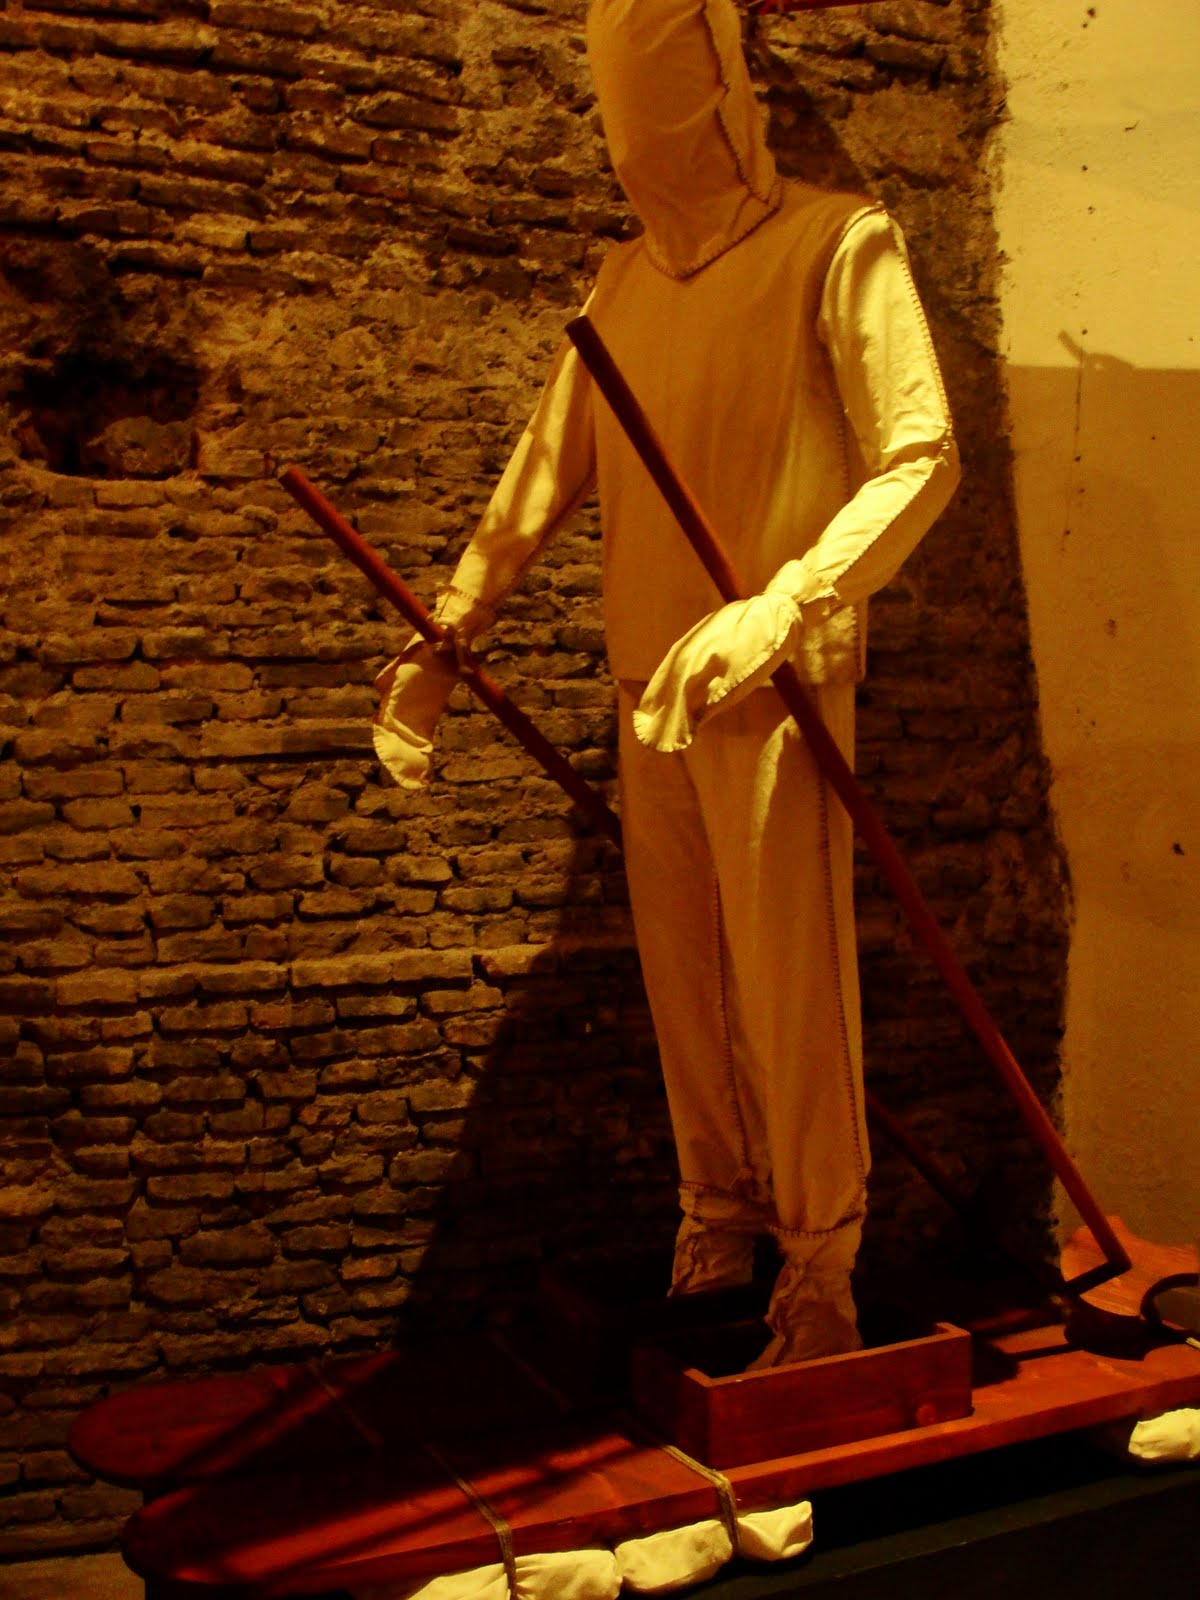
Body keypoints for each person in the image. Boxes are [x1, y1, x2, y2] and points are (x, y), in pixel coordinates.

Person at [374, 0, 960, 1366]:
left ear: (723, 97)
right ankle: (721, 1223)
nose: (647, 142)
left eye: (668, 107)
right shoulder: (623, 283)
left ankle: (821, 1270)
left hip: (772, 677)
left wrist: (791, 601)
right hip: (651, 670)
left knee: (789, 983)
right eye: (625, 119)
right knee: (686, 982)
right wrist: (452, 626)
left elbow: (922, 454)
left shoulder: (837, 241)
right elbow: (547, 466)